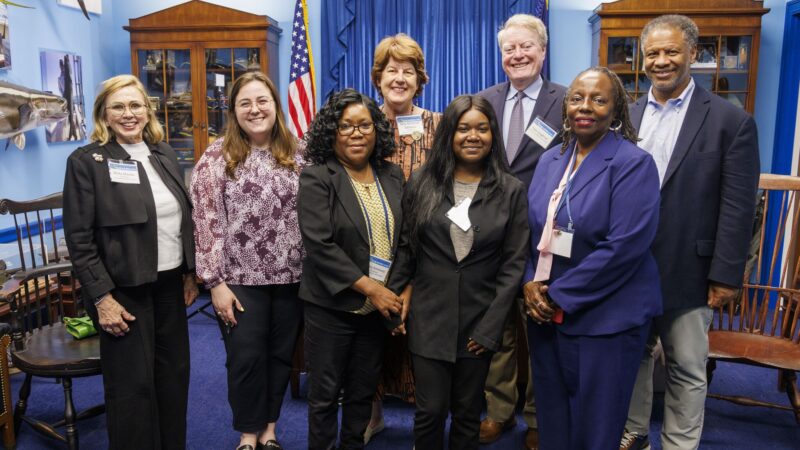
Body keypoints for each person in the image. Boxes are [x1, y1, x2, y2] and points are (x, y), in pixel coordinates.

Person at [620, 15, 760, 450]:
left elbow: (738, 206)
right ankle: (633, 434)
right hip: (630, 267)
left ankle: (679, 445)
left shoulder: (730, 121)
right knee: (632, 357)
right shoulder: (627, 115)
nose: (661, 61)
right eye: (653, 53)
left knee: (685, 366)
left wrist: (726, 274)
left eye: (671, 51)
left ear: (693, 54)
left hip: (691, 268)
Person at [524, 67, 661, 450]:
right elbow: (533, 232)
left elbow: (624, 247)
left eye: (598, 100)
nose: (585, 107)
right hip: (545, 317)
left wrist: (556, 294)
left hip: (605, 320)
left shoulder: (633, 163)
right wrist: (529, 282)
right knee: (553, 421)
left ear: (616, 110)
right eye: (577, 98)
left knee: (595, 430)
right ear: (565, 106)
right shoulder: (551, 160)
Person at [63, 74, 198, 449]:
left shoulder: (163, 153)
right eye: (118, 107)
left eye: (136, 105)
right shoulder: (87, 162)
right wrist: (102, 298)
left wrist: (189, 274)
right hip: (122, 294)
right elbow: (79, 238)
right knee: (132, 389)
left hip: (169, 287)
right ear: (104, 114)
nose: (128, 114)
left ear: (147, 111)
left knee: (173, 379)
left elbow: (181, 219)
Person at [388, 94, 529, 450]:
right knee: (430, 412)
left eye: (482, 128)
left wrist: (491, 326)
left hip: (479, 322)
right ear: (449, 133)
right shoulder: (422, 182)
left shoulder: (511, 191)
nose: (473, 136)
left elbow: (513, 265)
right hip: (430, 318)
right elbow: (406, 248)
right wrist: (393, 299)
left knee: (467, 415)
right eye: (463, 128)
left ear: (493, 134)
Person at [191, 71, 304, 450]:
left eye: (262, 101)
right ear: (233, 110)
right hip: (238, 281)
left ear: (275, 105)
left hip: (292, 278)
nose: (255, 110)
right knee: (245, 359)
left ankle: (269, 429)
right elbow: (205, 222)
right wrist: (215, 283)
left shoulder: (299, 153)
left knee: (280, 356)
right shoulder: (215, 157)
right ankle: (247, 434)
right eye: (245, 103)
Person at [476, 13, 567, 449]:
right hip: (492, 234)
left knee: (540, 326)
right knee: (498, 326)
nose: (517, 54)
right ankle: (498, 411)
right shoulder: (483, 101)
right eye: (509, 48)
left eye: (526, 46)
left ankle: (537, 417)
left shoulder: (566, 100)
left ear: (543, 51)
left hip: (546, 235)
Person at [298, 88, 405, 450]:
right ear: (332, 131)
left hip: (375, 311)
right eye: (346, 126)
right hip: (332, 306)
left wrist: (393, 294)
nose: (356, 133)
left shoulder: (392, 175)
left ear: (377, 129)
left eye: (364, 125)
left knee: (363, 391)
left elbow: (405, 239)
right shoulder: (317, 177)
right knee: (325, 395)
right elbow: (320, 245)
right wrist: (373, 289)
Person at [365, 32, 442, 443]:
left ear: (419, 78)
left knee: (423, 341)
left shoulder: (439, 126)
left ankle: (424, 430)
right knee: (370, 339)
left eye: (408, 71)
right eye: (391, 70)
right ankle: (372, 415)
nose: (399, 78)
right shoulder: (362, 123)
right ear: (378, 77)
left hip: (428, 253)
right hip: (373, 252)